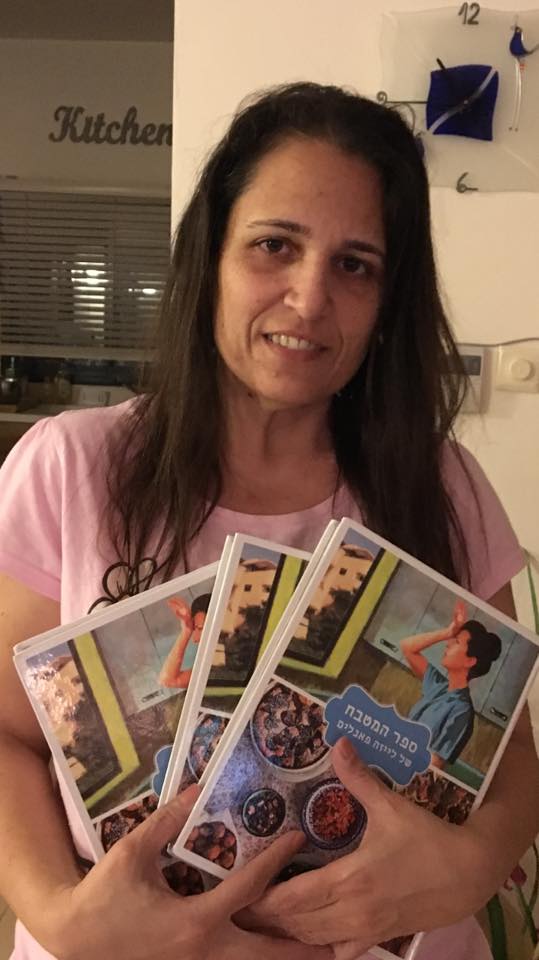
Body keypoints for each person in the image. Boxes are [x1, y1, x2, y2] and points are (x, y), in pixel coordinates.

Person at [0, 81, 537, 960]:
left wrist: (472, 865)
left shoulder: (443, 485)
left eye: (354, 265)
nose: (308, 298)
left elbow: (506, 748)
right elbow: (8, 734)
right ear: (210, 255)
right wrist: (60, 915)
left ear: (387, 300)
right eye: (274, 245)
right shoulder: (71, 467)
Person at [401, 598, 502, 767]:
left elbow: (434, 765)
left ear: (470, 661)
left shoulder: (462, 710)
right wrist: (447, 632)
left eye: (456, 642)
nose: (448, 644)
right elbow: (407, 647)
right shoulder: (437, 685)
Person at [158, 593, 211, 688]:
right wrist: (186, 631)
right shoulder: (211, 669)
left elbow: (168, 681)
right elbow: (168, 680)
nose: (195, 639)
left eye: (200, 628)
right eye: (194, 630)